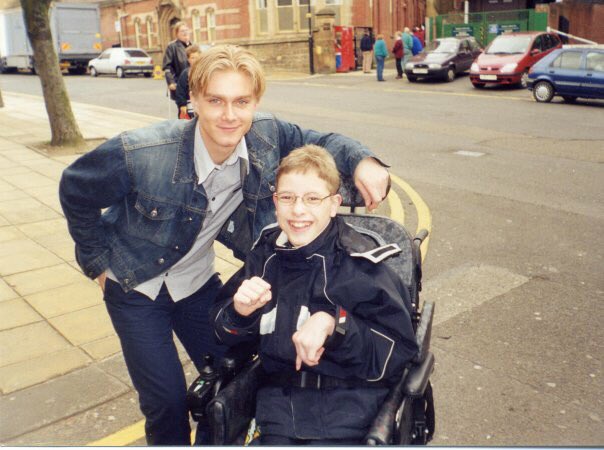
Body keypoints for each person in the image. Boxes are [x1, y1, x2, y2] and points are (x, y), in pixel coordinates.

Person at [59, 44, 390, 446]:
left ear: (255, 103)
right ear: (192, 101)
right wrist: (95, 263)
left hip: (196, 283)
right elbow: (76, 189)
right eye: (215, 100)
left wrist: (362, 161)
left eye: (241, 101)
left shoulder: (266, 135)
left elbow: (319, 142)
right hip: (135, 286)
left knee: (236, 374)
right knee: (165, 401)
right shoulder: (142, 152)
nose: (229, 115)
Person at [212, 145, 419, 445]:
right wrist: (239, 313)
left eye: (312, 199)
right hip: (278, 416)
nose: (298, 210)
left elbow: (398, 355)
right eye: (288, 198)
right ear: (276, 202)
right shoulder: (264, 259)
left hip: (351, 417)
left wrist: (335, 325)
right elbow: (222, 332)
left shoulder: (362, 266)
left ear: (334, 204)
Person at [163, 21, 192, 114]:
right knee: (184, 111)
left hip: (193, 85)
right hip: (180, 85)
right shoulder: (172, 47)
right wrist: (170, 82)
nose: (185, 32)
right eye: (182, 31)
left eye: (186, 30)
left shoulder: (193, 46)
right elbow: (167, 67)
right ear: (177, 34)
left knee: (194, 111)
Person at [175, 44, 202, 120]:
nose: (195, 60)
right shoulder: (185, 73)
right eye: (192, 58)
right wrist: (182, 105)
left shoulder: (205, 71)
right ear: (188, 60)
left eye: (197, 57)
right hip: (190, 105)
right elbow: (180, 90)